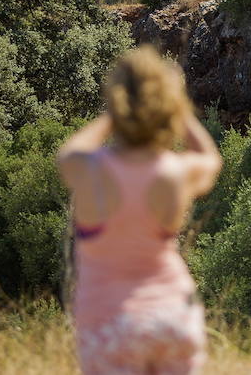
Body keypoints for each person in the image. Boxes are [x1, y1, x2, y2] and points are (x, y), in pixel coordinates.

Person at [58, 46, 223, 375]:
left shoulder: (90, 171)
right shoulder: (175, 171)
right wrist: (179, 107)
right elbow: (212, 160)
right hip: (174, 317)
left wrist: (112, 116)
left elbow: (68, 153)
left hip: (111, 326)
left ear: (118, 102)